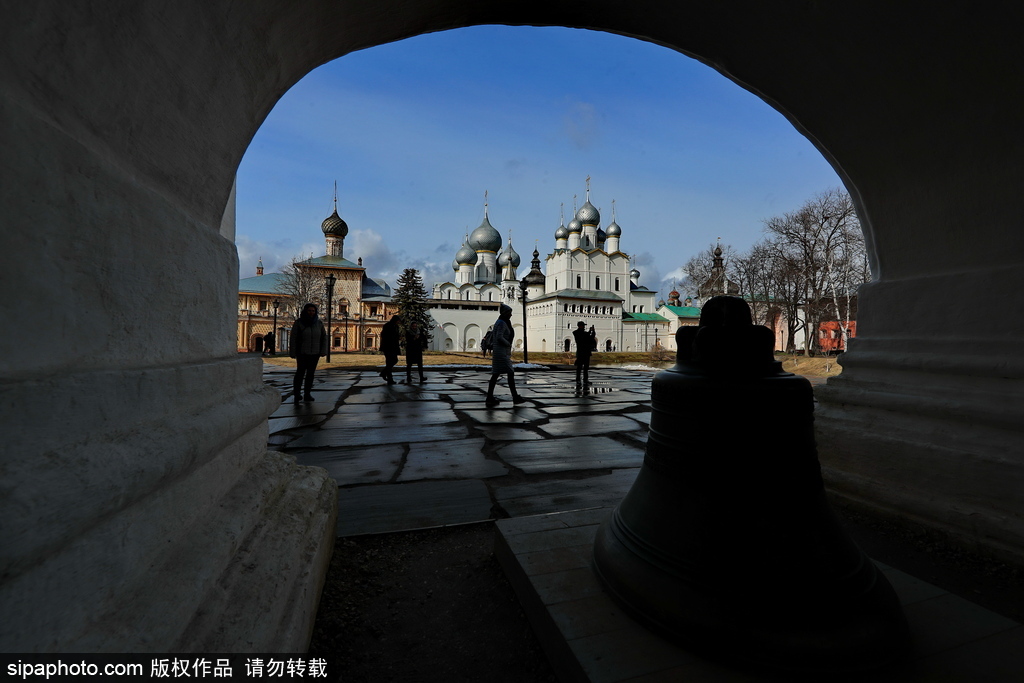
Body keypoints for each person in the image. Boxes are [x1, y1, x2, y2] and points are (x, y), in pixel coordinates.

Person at [485, 304, 526, 407]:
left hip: (501, 352)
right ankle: (515, 397)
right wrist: (508, 344)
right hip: (500, 352)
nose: (511, 315)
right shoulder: (501, 323)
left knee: (496, 374)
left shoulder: (502, 322)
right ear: (505, 313)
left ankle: (490, 397)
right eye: (509, 312)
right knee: (509, 373)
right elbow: (499, 337)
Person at [289, 303, 327, 403]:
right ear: (305, 311)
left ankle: (307, 394)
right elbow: (293, 338)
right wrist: (293, 352)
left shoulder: (319, 323)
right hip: (302, 352)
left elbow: (324, 337)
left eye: (313, 311)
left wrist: (323, 351)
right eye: (309, 310)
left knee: (310, 374)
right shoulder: (299, 323)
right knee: (300, 373)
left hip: (315, 353)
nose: (311, 312)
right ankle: (297, 394)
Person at [380, 315, 401, 385]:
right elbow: (383, 335)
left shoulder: (396, 326)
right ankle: (389, 379)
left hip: (394, 346)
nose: (399, 322)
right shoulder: (387, 326)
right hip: (388, 347)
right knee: (389, 362)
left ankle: (384, 373)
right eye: (398, 320)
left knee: (394, 360)